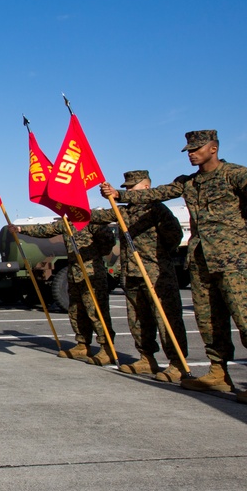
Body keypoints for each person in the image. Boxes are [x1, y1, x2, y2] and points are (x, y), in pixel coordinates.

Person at [102, 130, 247, 398]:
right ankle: (218, 372)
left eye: (196, 149)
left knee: (244, 318)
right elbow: (158, 193)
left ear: (213, 149)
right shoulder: (188, 183)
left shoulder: (235, 175)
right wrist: (118, 194)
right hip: (201, 261)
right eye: (188, 150)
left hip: (234, 261)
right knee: (209, 320)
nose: (191, 154)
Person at [90, 170, 188, 380]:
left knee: (166, 318)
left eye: (131, 187)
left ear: (146, 187)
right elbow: (97, 216)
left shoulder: (157, 209)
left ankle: (177, 362)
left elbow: (174, 235)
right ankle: (146, 358)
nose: (128, 191)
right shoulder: (124, 211)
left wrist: (158, 255)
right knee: (138, 319)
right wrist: (72, 208)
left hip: (155, 272)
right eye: (126, 188)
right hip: (132, 273)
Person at [14, 220, 116, 365]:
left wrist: (95, 254)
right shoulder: (67, 223)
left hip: (92, 274)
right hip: (74, 274)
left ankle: (107, 348)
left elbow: (108, 241)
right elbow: (46, 229)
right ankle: (82, 345)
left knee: (96, 311)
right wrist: (20, 229)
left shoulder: (92, 220)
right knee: (76, 311)